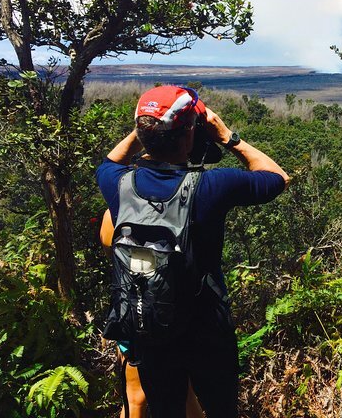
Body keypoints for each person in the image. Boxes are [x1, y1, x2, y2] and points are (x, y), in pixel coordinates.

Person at [96, 85, 289, 417]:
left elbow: (109, 161)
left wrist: (146, 127)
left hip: (149, 326)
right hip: (206, 331)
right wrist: (228, 136)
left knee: (165, 409)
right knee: (219, 408)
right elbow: (278, 177)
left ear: (143, 134)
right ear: (189, 133)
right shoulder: (212, 188)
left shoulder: (118, 184)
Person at [99, 210, 204, 418]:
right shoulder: (181, 205)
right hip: (179, 320)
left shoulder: (114, 213)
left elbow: (112, 253)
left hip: (135, 317)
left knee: (135, 397)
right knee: (186, 394)